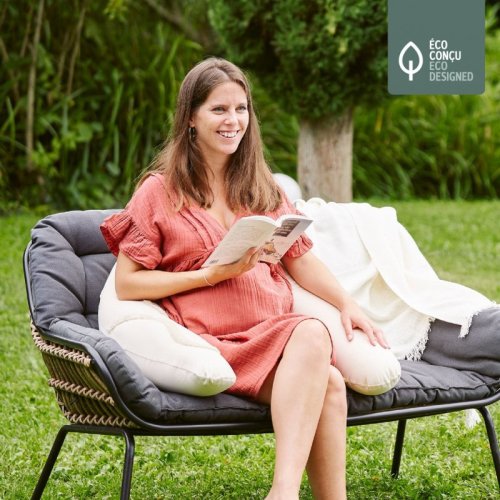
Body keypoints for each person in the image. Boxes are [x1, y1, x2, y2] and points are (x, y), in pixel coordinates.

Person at [100, 57, 388, 500]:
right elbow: (128, 283)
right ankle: (283, 493)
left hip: (271, 331)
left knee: (330, 384)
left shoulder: (260, 184)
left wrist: (347, 303)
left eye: (241, 109)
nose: (233, 120)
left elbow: (300, 259)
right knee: (314, 335)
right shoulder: (159, 191)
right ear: (191, 118)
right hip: (212, 339)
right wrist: (209, 275)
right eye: (219, 109)